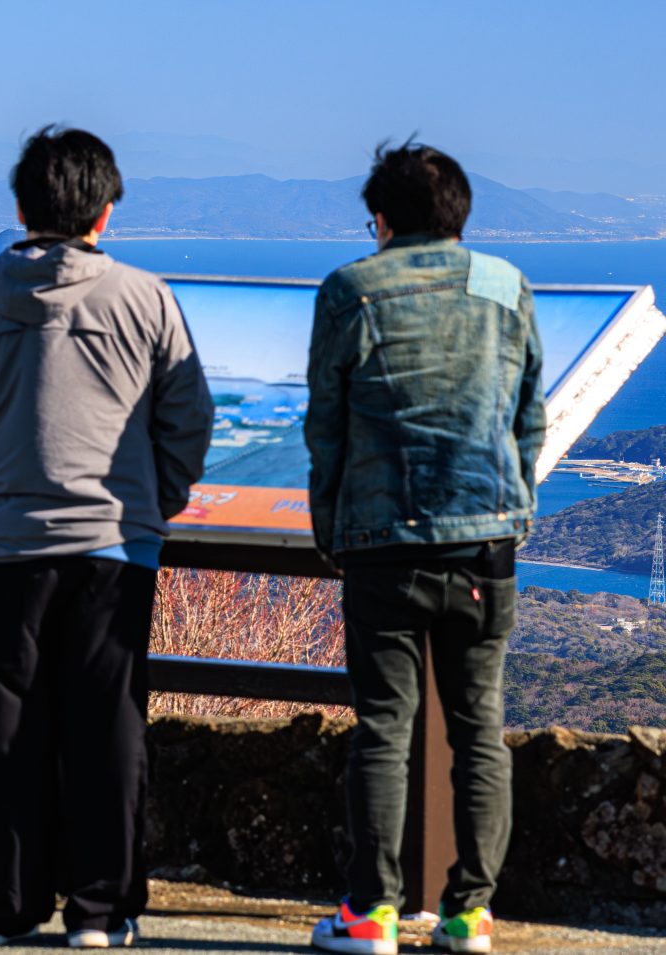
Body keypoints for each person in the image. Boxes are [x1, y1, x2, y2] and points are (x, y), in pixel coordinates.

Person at [0, 126, 213, 949]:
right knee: (107, 718)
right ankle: (100, 906)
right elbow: (189, 416)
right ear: (105, 213)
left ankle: (7, 901)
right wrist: (160, 498)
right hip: (115, 544)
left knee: (7, 712)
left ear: (19, 205)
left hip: (7, 540)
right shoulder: (145, 300)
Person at [304, 143, 544, 955]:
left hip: (381, 544)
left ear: (381, 218)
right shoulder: (507, 288)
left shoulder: (349, 291)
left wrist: (330, 525)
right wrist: (515, 505)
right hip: (486, 545)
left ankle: (372, 912)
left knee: (382, 727)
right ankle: (470, 914)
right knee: (480, 728)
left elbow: (326, 427)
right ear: (460, 213)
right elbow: (529, 416)